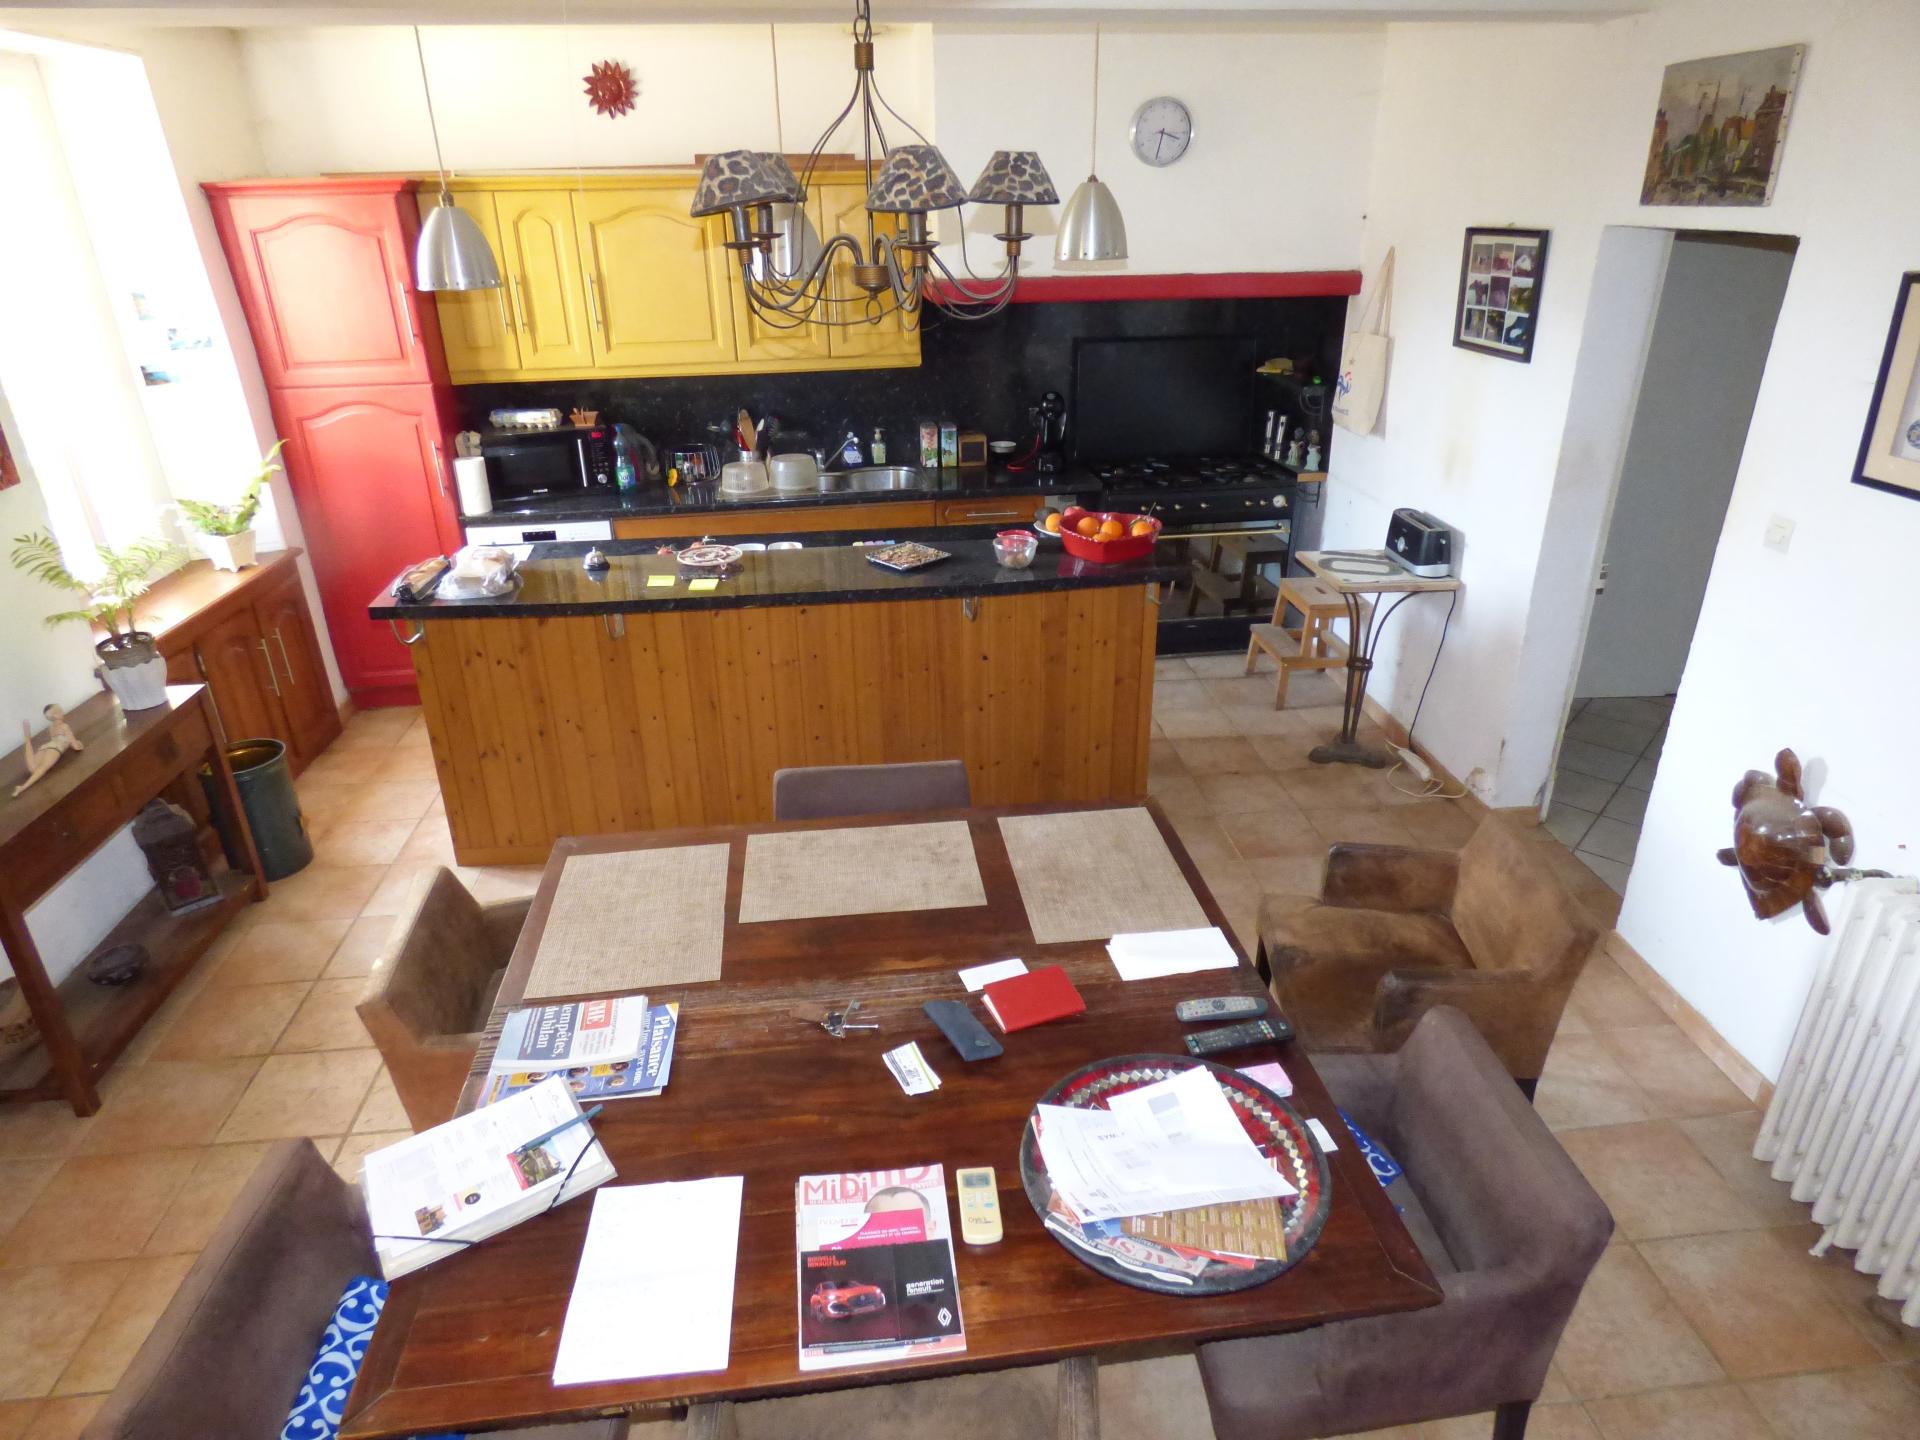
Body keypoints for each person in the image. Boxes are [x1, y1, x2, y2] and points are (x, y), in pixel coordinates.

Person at [11, 704, 83, 798]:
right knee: (43, 768)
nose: (62, 712)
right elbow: (75, 746)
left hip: (46, 746)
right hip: (56, 748)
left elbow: (57, 739)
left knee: (33, 769)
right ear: (55, 715)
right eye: (59, 710)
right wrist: (79, 744)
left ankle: (27, 738)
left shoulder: (51, 727)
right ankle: (22, 787)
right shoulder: (64, 726)